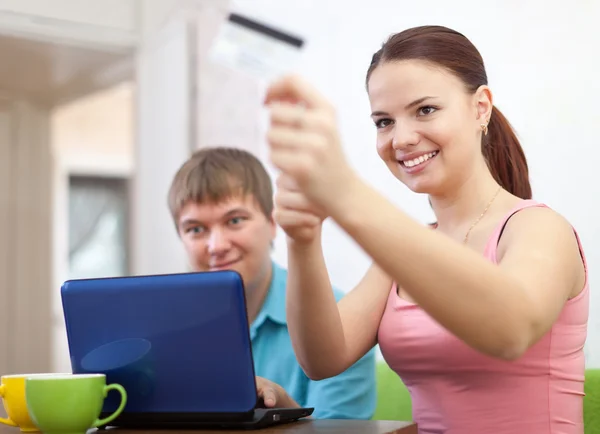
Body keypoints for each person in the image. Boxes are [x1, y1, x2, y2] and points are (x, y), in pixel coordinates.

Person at [264, 25, 588, 433]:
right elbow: (321, 358)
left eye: (425, 110)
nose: (401, 138)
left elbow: (510, 329)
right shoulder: (405, 255)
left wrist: (345, 191)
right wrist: (303, 239)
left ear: (480, 108)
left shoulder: (539, 228)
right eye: (384, 121)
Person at [167, 146, 377, 420]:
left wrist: (284, 411)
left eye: (234, 221)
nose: (216, 246)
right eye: (195, 229)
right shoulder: (166, 330)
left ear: (272, 222)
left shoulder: (341, 321)